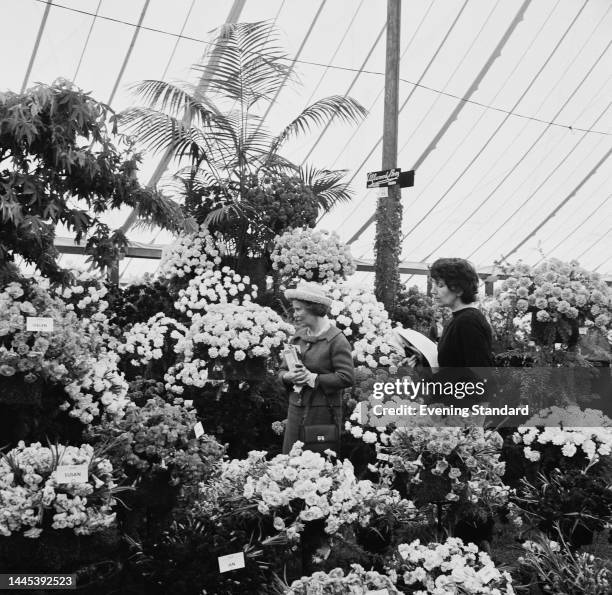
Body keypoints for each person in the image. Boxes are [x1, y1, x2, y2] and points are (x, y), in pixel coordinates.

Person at [279, 281, 355, 455]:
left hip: (322, 413)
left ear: (313, 309)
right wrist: (288, 377)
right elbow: (281, 371)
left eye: (298, 309)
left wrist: (312, 378)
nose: (294, 314)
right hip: (295, 411)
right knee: (289, 465)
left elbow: (347, 377)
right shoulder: (297, 337)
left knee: (317, 467)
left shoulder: (336, 339)